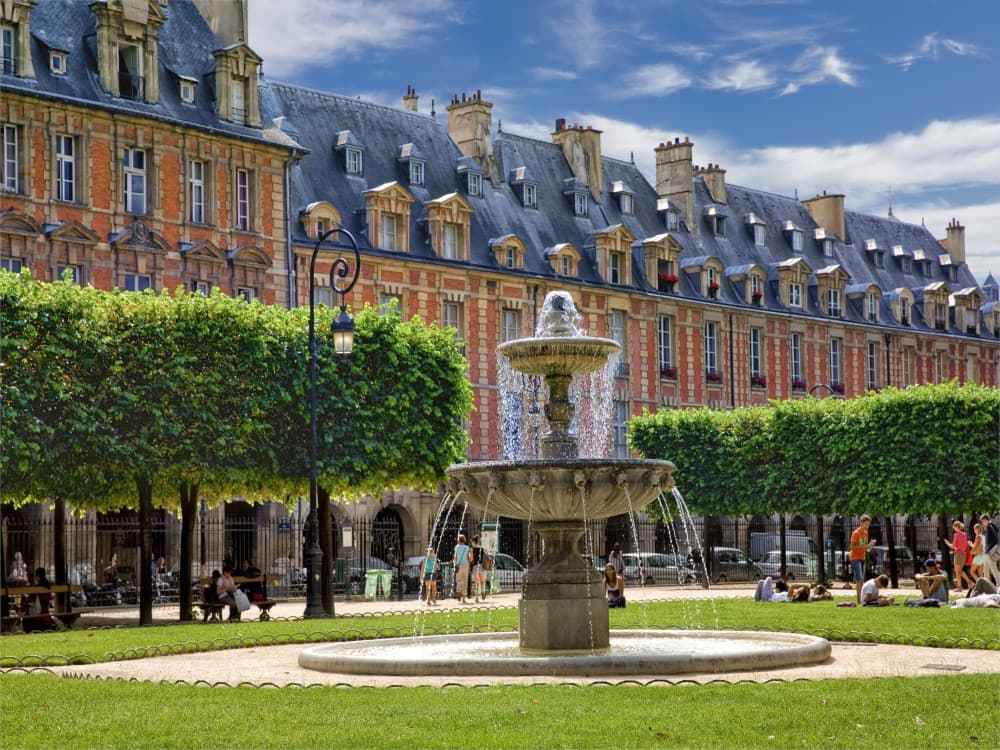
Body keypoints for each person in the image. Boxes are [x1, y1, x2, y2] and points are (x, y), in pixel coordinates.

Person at [19, 568, 56, 632]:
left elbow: (29, 600)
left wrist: (20, 608)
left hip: (37, 613)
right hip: (45, 611)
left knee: (26, 613)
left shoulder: (37, 588)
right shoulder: (48, 586)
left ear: (38, 576)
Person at [850, 515, 876, 604]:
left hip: (862, 557)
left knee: (861, 579)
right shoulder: (856, 533)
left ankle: (861, 599)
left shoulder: (866, 533)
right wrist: (865, 546)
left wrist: (870, 545)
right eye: (865, 524)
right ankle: (859, 601)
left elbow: (866, 549)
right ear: (861, 523)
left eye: (868, 524)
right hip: (855, 557)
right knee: (859, 579)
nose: (866, 526)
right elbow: (852, 547)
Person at [943, 520, 975, 591]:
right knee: (960, 571)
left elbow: (953, 546)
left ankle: (962, 586)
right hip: (964, 554)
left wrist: (947, 543)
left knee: (957, 571)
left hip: (958, 554)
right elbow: (966, 545)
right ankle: (968, 583)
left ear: (956, 527)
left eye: (954, 527)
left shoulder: (956, 535)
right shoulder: (964, 534)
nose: (953, 529)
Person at [980, 513, 1000, 585]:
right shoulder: (992, 526)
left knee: (993, 569)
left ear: (986, 520)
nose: (982, 523)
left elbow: (993, 539)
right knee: (985, 570)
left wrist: (988, 549)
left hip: (990, 552)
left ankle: (999, 583)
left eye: (982, 521)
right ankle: (987, 585)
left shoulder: (990, 527)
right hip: (989, 551)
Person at [453, 535, 471, 603]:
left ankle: (458, 591)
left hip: (459, 565)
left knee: (458, 580)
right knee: (465, 581)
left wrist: (454, 563)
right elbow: (468, 557)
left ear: (458, 540)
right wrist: (469, 567)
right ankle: (463, 598)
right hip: (465, 565)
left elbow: (455, 557)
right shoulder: (467, 547)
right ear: (464, 540)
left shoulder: (456, 547)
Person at [470, 535, 486, 603]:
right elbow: (484, 557)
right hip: (481, 566)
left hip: (475, 566)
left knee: (476, 582)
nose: (471, 543)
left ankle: (476, 598)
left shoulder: (472, 549)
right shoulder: (482, 548)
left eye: (471, 542)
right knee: (482, 581)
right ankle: (483, 591)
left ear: (473, 541)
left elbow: (471, 559)